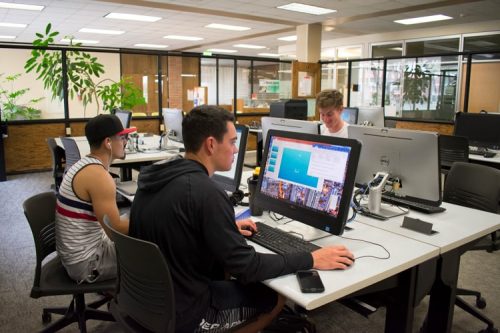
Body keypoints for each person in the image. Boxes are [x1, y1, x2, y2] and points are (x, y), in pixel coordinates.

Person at [129, 105, 355, 333]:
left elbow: (177, 226)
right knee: (276, 296)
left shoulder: (156, 178)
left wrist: (224, 227)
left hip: (148, 301)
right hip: (188, 314)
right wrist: (311, 258)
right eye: (232, 142)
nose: (236, 150)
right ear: (210, 144)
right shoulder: (206, 193)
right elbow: (248, 267)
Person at [55, 114, 134, 283]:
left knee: (133, 221)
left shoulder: (83, 165)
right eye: (122, 137)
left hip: (77, 252)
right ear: (108, 143)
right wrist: (152, 217)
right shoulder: (99, 177)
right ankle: (132, 304)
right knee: (157, 251)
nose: (126, 142)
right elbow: (116, 231)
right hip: (87, 263)